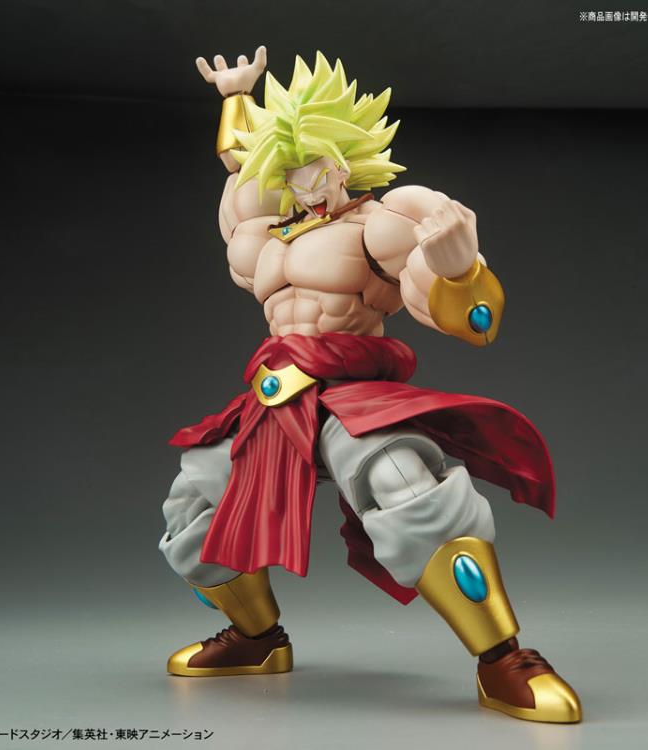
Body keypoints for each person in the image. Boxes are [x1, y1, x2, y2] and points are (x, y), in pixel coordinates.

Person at [158, 46, 581, 724]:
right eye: (289, 170)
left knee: (405, 482)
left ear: (344, 162)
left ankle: (501, 657)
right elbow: (240, 161)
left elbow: (476, 323)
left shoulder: (380, 224)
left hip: (348, 395)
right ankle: (257, 639)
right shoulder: (263, 230)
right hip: (273, 399)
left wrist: (461, 269)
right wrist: (237, 99)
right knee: (195, 501)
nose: (302, 183)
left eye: (314, 167)